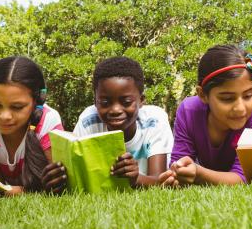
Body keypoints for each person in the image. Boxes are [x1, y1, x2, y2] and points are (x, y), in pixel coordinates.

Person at [42, 57, 173, 191]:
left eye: (126, 102)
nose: (115, 110)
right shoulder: (89, 121)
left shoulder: (154, 121)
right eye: (105, 103)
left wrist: (136, 179)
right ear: (95, 101)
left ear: (141, 100)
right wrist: (58, 179)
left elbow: (161, 180)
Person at [160, 45, 252, 186]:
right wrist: (178, 174)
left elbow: (245, 177)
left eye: (248, 95)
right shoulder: (188, 111)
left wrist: (199, 174)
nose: (240, 108)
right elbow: (179, 164)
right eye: (227, 98)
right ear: (202, 94)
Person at [0, 56, 64, 195]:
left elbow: (55, 182)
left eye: (17, 107)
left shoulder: (47, 120)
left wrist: (14, 191)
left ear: (36, 102)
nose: (4, 116)